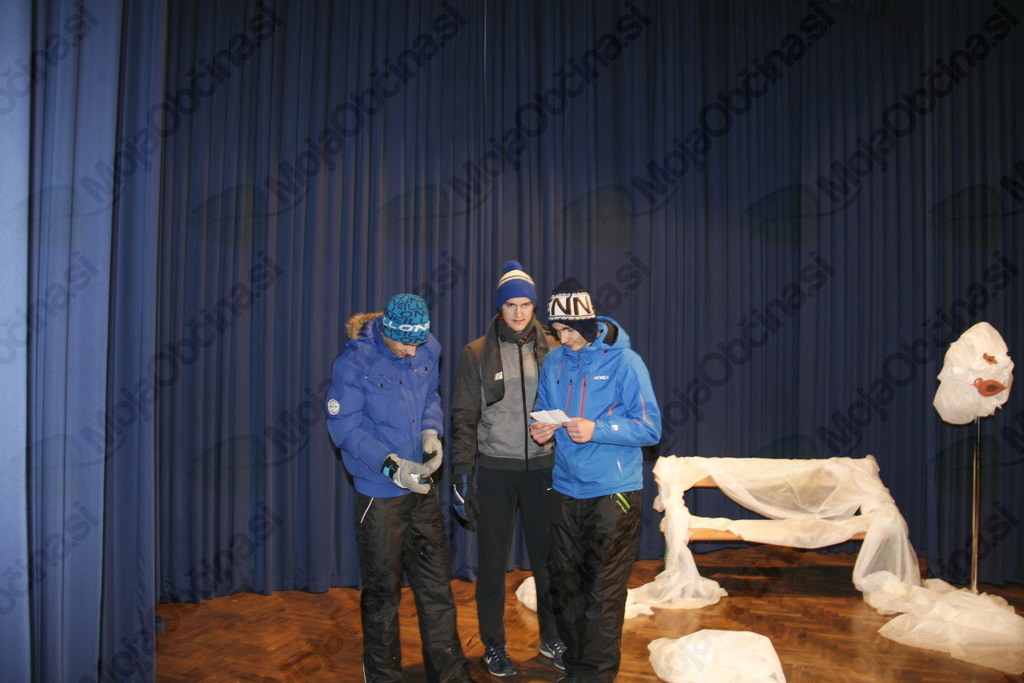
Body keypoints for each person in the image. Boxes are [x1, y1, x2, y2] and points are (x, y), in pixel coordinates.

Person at [325, 293, 471, 683]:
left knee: (436, 584)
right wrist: (390, 466)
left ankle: (450, 673)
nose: (413, 352)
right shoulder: (354, 363)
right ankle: (383, 675)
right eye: (405, 343)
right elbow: (344, 429)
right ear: (387, 332)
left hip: (420, 489)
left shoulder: (426, 347)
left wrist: (431, 433)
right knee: (382, 592)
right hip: (378, 493)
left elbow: (431, 396)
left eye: (418, 343)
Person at [529, 277, 662, 683]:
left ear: (587, 324)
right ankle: (575, 670)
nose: (562, 339)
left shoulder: (626, 363)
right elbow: (543, 408)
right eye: (557, 331)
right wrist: (542, 430)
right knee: (566, 587)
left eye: (568, 330)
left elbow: (650, 429)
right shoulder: (554, 362)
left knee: (603, 592)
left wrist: (598, 428)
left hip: (614, 493)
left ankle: (596, 676)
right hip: (565, 489)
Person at [449, 261, 565, 677]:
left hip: (545, 470)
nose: (518, 312)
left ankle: (553, 638)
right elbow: (464, 417)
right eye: (511, 304)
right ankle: (494, 645)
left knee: (550, 563)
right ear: (500, 307)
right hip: (497, 471)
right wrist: (462, 473)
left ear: (534, 306)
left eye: (525, 304)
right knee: (492, 565)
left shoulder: (555, 348)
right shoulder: (476, 352)